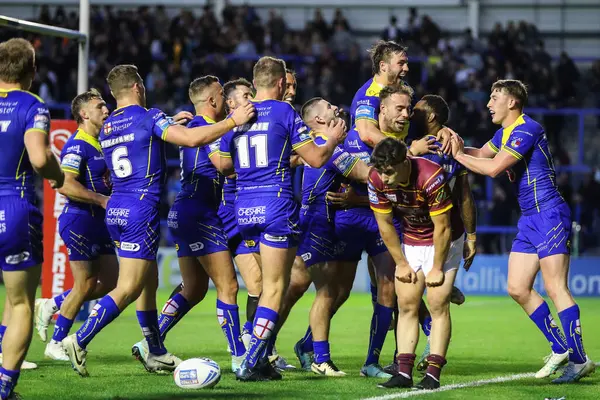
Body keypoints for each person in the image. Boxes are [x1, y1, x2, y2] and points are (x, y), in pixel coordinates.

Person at [62, 64, 255, 377]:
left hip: (117, 208)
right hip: (141, 208)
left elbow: (139, 146)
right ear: (138, 86)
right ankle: (79, 339)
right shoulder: (149, 116)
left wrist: (169, 125)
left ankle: (155, 351)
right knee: (128, 287)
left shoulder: (108, 126)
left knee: (148, 285)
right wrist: (234, 120)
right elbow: (191, 140)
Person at [449, 79, 595, 383]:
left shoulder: (527, 129)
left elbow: (492, 168)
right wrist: (454, 145)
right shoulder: (503, 133)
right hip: (530, 218)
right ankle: (560, 348)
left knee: (556, 288)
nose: (488, 104)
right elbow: (481, 154)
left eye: (494, 98)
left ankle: (580, 360)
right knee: (516, 287)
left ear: (512, 102)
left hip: (550, 214)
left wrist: (456, 156)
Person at [218, 56, 346, 381]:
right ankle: (251, 360)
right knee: (276, 287)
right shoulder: (284, 111)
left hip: (243, 208)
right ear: (279, 84)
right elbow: (316, 157)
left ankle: (259, 362)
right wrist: (333, 138)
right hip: (275, 205)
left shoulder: (238, 116)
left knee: (262, 288)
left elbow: (220, 164)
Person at [132, 76, 247, 372]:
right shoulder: (201, 128)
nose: (226, 100)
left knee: (194, 289)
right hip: (198, 213)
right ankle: (239, 357)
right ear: (212, 100)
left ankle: (150, 343)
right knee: (229, 285)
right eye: (223, 94)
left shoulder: (195, 127)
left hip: (185, 211)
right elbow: (223, 165)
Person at [369, 137, 464, 390]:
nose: (384, 178)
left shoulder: (431, 176)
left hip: (445, 241)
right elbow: (385, 224)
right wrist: (400, 263)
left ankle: (432, 375)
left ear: (404, 162)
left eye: (388, 171)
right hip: (412, 240)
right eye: (380, 171)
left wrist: (436, 267)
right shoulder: (376, 178)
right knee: (407, 303)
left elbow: (443, 227)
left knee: (436, 303)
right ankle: (404, 373)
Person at [0, 38, 65, 399]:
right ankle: (4, 387)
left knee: (11, 301)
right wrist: (56, 175)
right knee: (22, 300)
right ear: (32, 71)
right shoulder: (31, 105)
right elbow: (39, 159)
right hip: (12, 206)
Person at [34, 89, 119, 361]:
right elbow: (65, 185)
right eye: (100, 106)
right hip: (80, 219)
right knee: (84, 284)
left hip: (98, 221)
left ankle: (51, 304)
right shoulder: (76, 144)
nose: (106, 110)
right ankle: (56, 343)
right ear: (84, 114)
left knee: (110, 281)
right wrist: (100, 199)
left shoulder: (100, 142)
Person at [295, 98, 370, 376]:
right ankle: (319, 358)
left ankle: (274, 348)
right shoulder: (327, 149)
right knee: (324, 292)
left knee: (330, 291)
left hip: (319, 225)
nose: (334, 108)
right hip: (316, 225)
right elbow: (365, 173)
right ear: (318, 120)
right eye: (328, 107)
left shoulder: (317, 147)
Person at [219, 78, 262, 348]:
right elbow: (223, 167)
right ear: (231, 103)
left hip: (244, 213)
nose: (252, 99)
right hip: (228, 217)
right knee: (253, 284)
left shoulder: (253, 129)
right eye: (247, 95)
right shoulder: (223, 133)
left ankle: (252, 340)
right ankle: (249, 343)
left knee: (261, 283)